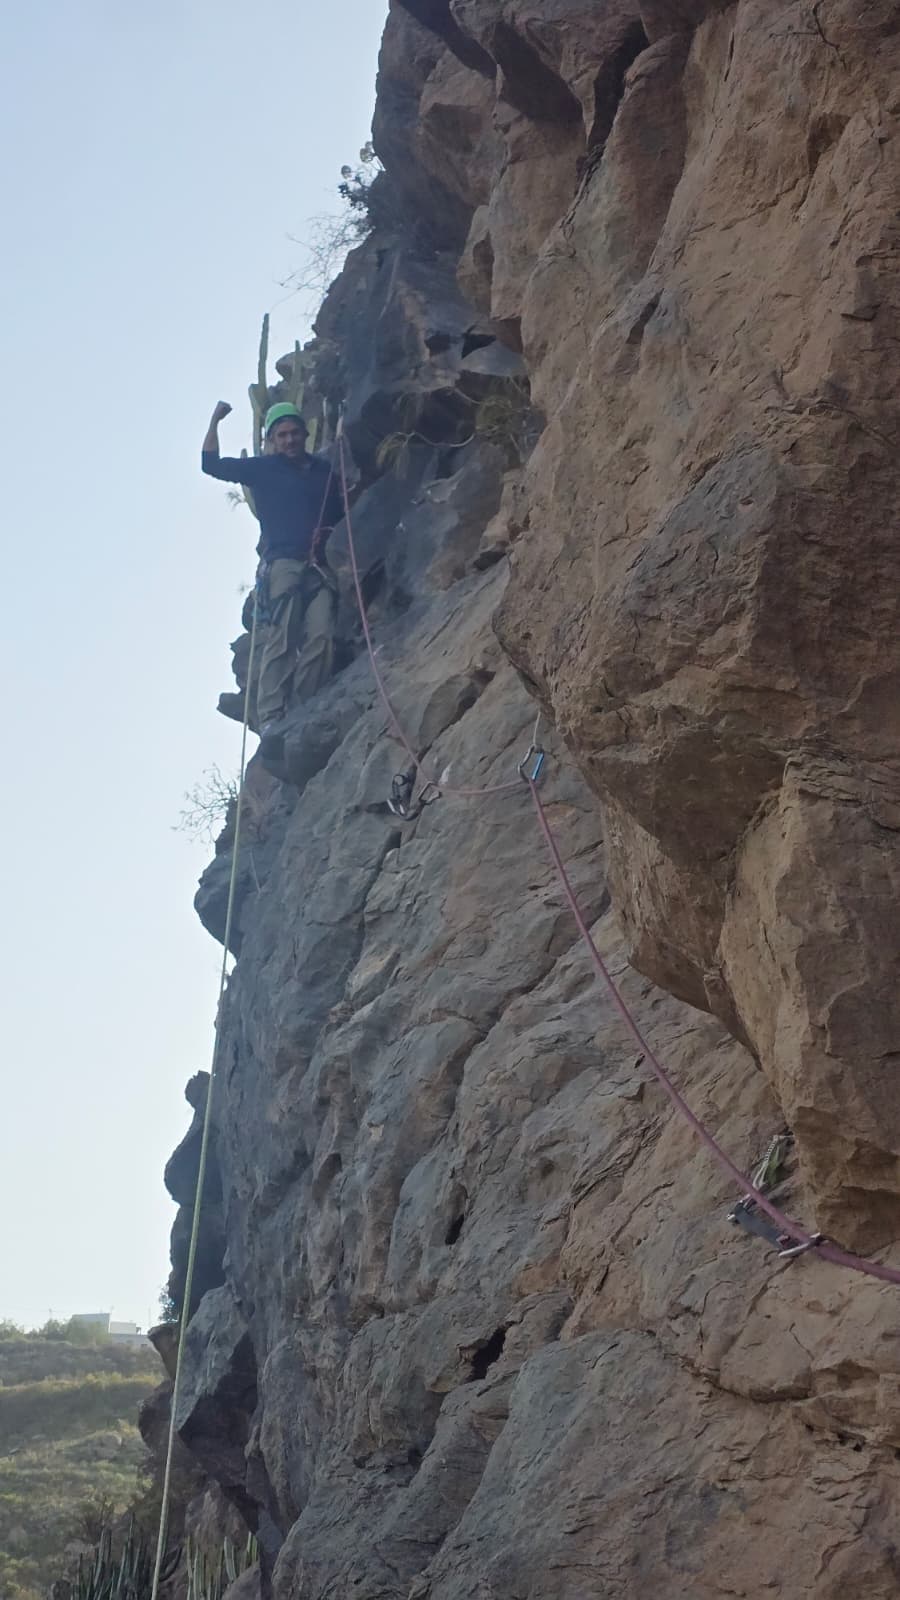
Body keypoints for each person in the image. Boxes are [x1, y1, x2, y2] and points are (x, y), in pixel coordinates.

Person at [201, 400, 344, 760]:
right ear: (272, 440)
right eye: (282, 435)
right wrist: (215, 420)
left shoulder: (324, 472)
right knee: (283, 634)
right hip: (283, 564)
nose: (290, 439)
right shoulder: (263, 469)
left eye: (294, 433)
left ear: (304, 433)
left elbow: (339, 508)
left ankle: (304, 703)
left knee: (322, 634)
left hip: (318, 564)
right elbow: (210, 464)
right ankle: (271, 716)